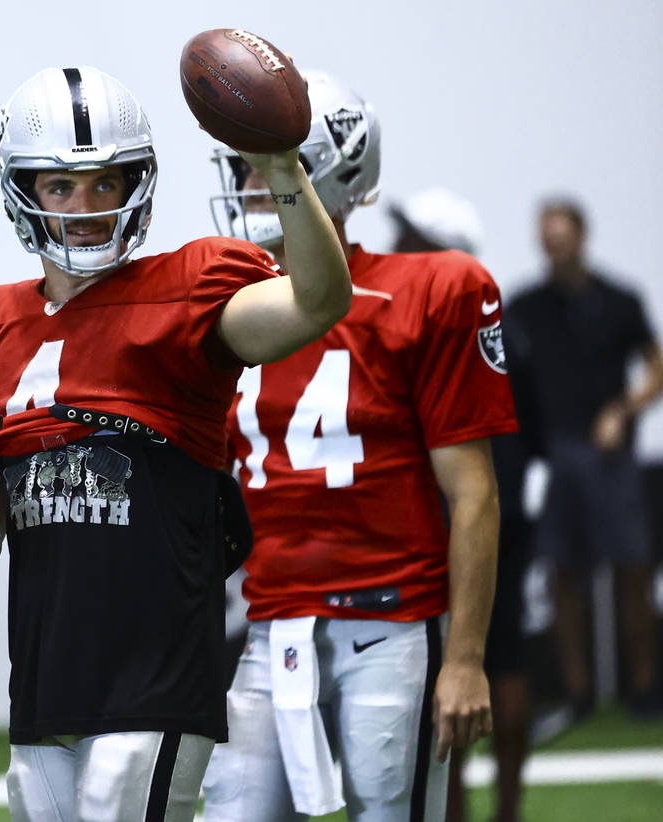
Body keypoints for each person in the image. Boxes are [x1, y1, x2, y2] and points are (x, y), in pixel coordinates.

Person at [0, 66, 351, 822]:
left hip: (156, 674)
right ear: (21, 189)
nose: (86, 207)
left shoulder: (189, 291)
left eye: (106, 182)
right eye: (61, 186)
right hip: (46, 680)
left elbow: (317, 300)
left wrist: (282, 166)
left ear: (139, 185)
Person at [200, 73, 519, 822]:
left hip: (393, 620)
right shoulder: (231, 307)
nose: (247, 184)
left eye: (266, 166)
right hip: (272, 622)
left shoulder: (429, 290)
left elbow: (473, 492)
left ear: (326, 174)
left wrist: (466, 657)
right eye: (242, 165)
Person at [390, 189, 534, 822]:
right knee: (481, 658)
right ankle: (473, 809)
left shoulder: (464, 323)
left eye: (412, 240)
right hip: (471, 503)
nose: (397, 251)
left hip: (471, 507)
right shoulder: (488, 322)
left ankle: (492, 809)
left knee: (481, 660)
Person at [505, 199, 663, 718]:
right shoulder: (526, 306)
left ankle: (641, 689)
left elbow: (655, 368)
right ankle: (578, 693)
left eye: (562, 235)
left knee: (632, 571)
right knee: (563, 575)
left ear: (581, 237)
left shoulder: (619, 300)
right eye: (545, 236)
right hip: (554, 456)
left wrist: (623, 409)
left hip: (611, 457)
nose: (554, 245)